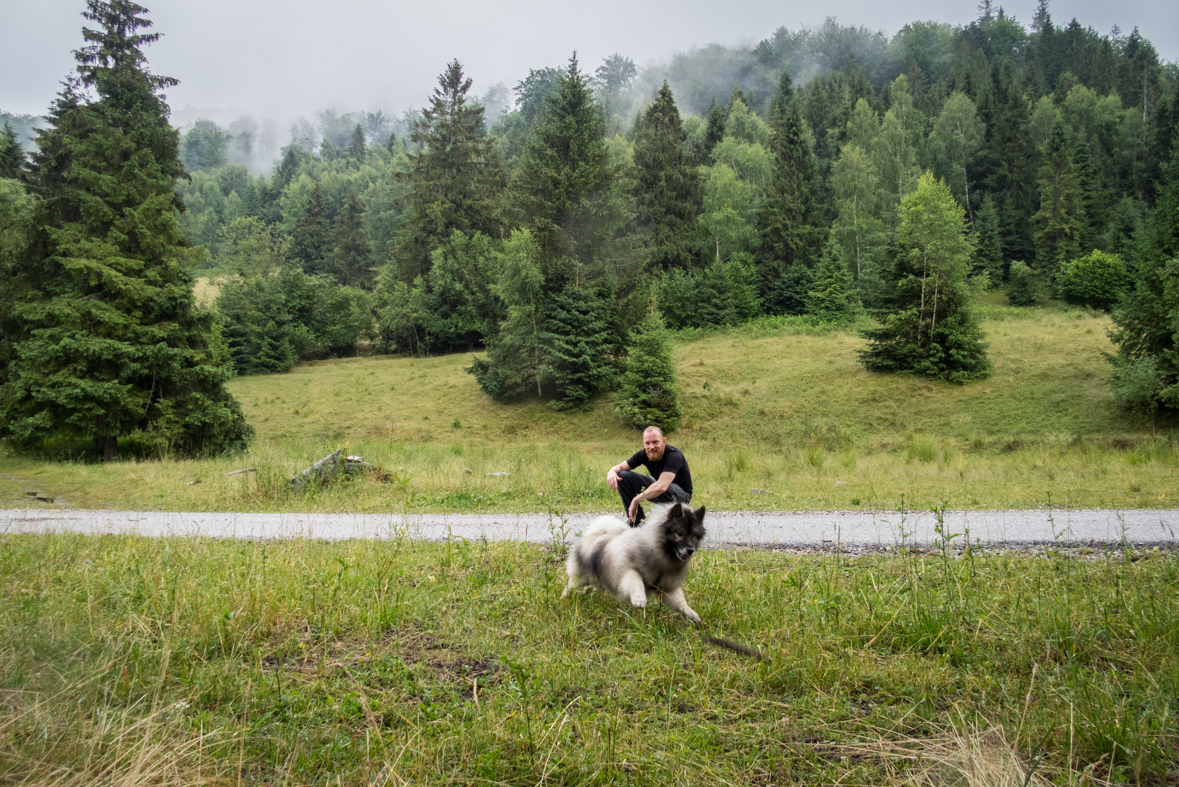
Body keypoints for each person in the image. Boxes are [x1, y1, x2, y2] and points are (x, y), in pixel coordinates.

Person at [606, 426, 693, 526]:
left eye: (655, 442)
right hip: (663, 489)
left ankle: (674, 519)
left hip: (681, 496)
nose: (651, 447)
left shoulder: (674, 455)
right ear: (644, 443)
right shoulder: (644, 454)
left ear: (663, 441)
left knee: (661, 485)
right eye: (647, 443)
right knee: (622, 476)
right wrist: (611, 471)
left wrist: (636, 499)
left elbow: (662, 486)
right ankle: (636, 521)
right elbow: (621, 467)